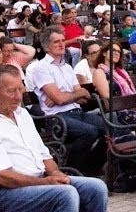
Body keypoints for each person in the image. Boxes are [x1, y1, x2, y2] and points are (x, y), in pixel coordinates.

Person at [0, 64, 109, 212]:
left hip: (38, 182)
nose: (19, 97)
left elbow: (42, 153)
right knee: (66, 194)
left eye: (20, 89)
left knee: (96, 188)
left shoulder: (22, 114)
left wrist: (55, 173)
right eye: (12, 91)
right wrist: (44, 182)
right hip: (3, 193)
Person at [30, 26, 108, 170]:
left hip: (77, 113)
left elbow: (84, 96)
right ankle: (71, 169)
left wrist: (67, 96)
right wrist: (69, 95)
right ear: (47, 47)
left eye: (63, 40)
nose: (61, 44)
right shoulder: (41, 68)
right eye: (56, 42)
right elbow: (61, 98)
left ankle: (92, 167)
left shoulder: (67, 67)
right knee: (90, 131)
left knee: (108, 125)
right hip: (56, 118)